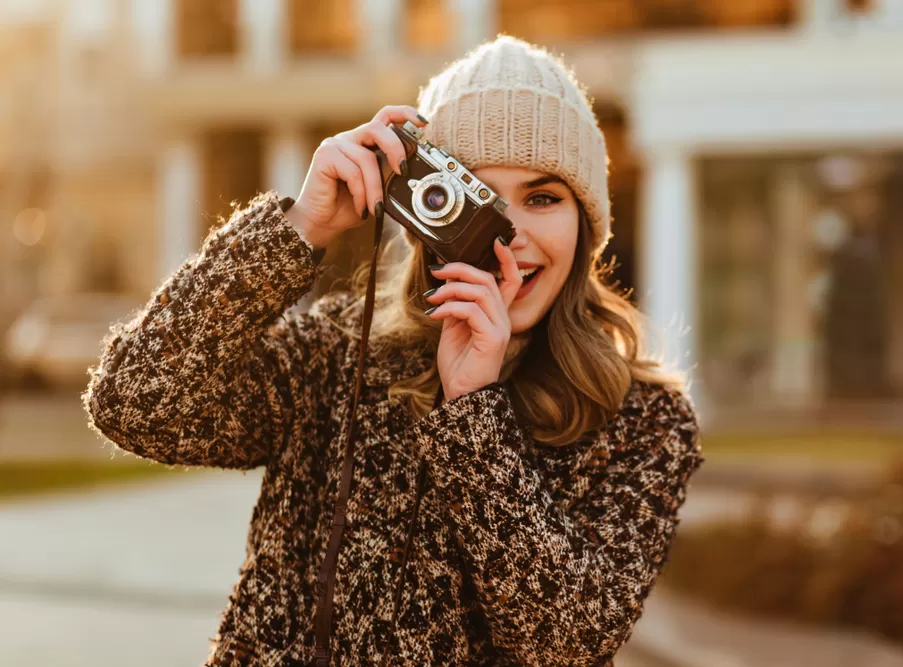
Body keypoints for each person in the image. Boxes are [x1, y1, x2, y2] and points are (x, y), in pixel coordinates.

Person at [83, 35, 703, 666]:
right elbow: (136, 402)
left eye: (542, 198)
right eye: (479, 198)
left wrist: (472, 414)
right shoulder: (335, 357)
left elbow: (568, 640)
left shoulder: (643, 421)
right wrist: (301, 227)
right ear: (426, 209)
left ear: (587, 222)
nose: (508, 235)